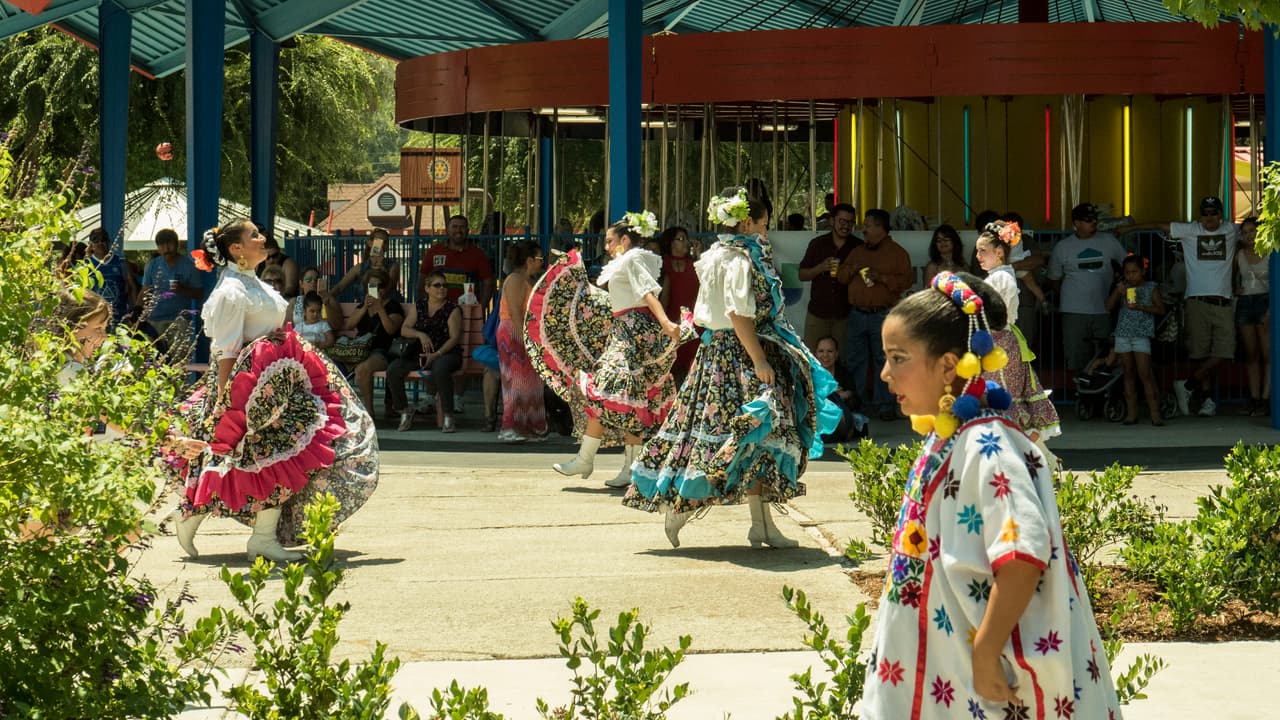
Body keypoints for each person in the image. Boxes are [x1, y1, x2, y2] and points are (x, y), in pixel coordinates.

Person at [862, 270, 1120, 720]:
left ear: (947, 366)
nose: (885, 373)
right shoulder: (954, 437)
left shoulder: (989, 445)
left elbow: (1022, 552)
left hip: (974, 680)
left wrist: (985, 655)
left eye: (898, 358)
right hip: (945, 670)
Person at [623, 187, 838, 549]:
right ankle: (682, 506)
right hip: (735, 356)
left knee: (758, 438)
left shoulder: (718, 254)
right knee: (735, 435)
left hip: (722, 352)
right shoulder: (737, 258)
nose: (764, 232)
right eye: (762, 224)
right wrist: (759, 359)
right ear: (745, 221)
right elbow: (739, 314)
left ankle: (762, 525)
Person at [171, 219, 379, 563]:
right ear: (236, 249)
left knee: (282, 456)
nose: (262, 238)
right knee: (246, 455)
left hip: (276, 388)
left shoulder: (254, 285)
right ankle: (197, 514)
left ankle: (250, 533)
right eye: (253, 235)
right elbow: (226, 351)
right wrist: (227, 406)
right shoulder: (231, 292)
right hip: (247, 392)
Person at [529, 210, 687, 489]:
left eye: (609, 240)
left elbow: (648, 293)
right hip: (626, 332)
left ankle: (600, 461)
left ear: (624, 240)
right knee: (623, 397)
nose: (605, 245)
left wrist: (666, 323)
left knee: (609, 391)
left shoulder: (632, 260)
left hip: (633, 335)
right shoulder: (627, 262)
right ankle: (610, 463)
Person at [1121, 196, 1239, 417]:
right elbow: (1158, 224)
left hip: (1223, 300)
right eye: (1206, 213)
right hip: (1196, 300)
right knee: (1201, 353)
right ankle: (1206, 401)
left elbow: (1258, 233)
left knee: (1225, 350)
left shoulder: (1233, 230)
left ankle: (1187, 385)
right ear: (1200, 215)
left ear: (1221, 214)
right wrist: (1128, 229)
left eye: (1214, 213)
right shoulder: (1190, 230)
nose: (1210, 217)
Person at [973, 221, 1060, 442]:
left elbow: (993, 314)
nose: (978, 256)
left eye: (983, 251)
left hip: (998, 341)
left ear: (999, 252)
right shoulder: (999, 275)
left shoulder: (1000, 278)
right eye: (977, 251)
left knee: (1000, 397)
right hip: (998, 340)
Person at [837, 208, 913, 422]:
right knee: (855, 360)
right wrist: (850, 270)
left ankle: (884, 405)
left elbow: (906, 281)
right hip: (857, 314)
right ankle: (859, 403)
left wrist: (881, 277)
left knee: (884, 360)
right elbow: (841, 277)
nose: (864, 230)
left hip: (883, 314)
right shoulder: (858, 251)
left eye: (868, 225)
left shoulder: (898, 253)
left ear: (880, 228)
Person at [1046, 202, 1127, 377]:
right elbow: (1053, 279)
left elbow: (1128, 264)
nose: (1093, 222)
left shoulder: (1109, 241)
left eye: (1094, 219)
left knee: (1106, 356)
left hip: (1103, 309)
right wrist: (1069, 296)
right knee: (1075, 355)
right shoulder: (1063, 247)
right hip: (1073, 311)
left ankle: (1101, 393)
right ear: (1076, 223)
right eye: (1088, 220)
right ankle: (1078, 394)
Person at [388, 270, 464, 433]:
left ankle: (448, 415)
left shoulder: (452, 309)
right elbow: (404, 329)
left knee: (440, 369)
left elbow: (454, 338)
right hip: (420, 353)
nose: (442, 289)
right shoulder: (420, 306)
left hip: (446, 353)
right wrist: (420, 335)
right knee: (394, 369)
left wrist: (436, 354)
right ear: (427, 288)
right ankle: (404, 410)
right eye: (437, 285)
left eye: (444, 286)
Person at [492, 241, 548, 442]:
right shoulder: (515, 279)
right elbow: (515, 312)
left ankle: (527, 427)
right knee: (515, 380)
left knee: (529, 382)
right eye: (539, 258)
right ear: (529, 260)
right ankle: (510, 426)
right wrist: (525, 338)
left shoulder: (527, 280)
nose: (542, 262)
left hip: (523, 332)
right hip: (513, 331)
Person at [1106, 254, 1165, 425]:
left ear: (1142, 272)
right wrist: (1118, 292)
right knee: (1128, 374)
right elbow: (1108, 306)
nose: (1131, 276)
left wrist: (1139, 306)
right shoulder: (1123, 287)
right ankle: (1132, 413)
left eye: (1135, 272)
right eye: (1127, 272)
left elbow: (1161, 309)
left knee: (1145, 374)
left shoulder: (1151, 287)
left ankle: (1155, 413)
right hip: (1123, 333)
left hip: (1141, 335)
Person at [344, 267, 406, 419]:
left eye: (380, 286)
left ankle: (369, 412)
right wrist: (365, 307)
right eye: (372, 286)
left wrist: (380, 309)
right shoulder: (362, 306)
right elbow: (349, 326)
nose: (377, 289)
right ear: (366, 288)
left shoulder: (393, 306)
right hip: (360, 350)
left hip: (383, 351)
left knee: (362, 369)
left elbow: (391, 329)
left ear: (386, 287)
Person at [798, 203, 859, 355]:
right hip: (817, 313)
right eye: (842, 221)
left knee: (843, 360)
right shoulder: (817, 244)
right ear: (832, 221)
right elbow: (802, 275)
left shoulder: (858, 247)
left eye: (850, 222)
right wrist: (820, 268)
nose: (846, 226)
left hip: (845, 315)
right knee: (812, 359)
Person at [1234, 217, 1270, 416]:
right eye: (1245, 232)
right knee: (1251, 354)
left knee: (1268, 355)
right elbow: (1231, 278)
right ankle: (1254, 397)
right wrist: (1235, 288)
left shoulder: (1271, 251)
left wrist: (1271, 308)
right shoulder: (1239, 254)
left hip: (1266, 301)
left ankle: (1266, 398)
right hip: (1246, 302)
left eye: (1252, 231)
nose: (1249, 235)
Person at [418, 215, 494, 307]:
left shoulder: (478, 254)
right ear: (447, 230)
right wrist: (424, 307)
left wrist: (480, 309)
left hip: (466, 312)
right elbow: (422, 279)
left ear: (467, 231)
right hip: (437, 311)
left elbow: (488, 283)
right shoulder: (434, 251)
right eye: (454, 227)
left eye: (462, 227)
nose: (458, 230)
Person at [658, 226, 701, 384]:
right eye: (680, 239)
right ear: (670, 243)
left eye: (686, 239)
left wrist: (699, 256)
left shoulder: (694, 263)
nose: (685, 243)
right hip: (671, 322)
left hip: (695, 323)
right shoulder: (662, 264)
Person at [140, 228, 200, 336]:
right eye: (162, 245)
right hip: (154, 321)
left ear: (177, 245)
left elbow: (200, 293)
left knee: (180, 353)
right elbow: (144, 291)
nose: (166, 248)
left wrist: (182, 289)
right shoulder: (152, 265)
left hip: (180, 321)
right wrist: (136, 311)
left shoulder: (189, 266)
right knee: (154, 353)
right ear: (158, 248)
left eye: (170, 244)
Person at [813, 336, 868, 444]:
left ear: (836, 354)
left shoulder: (844, 374)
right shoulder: (810, 373)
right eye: (821, 351)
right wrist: (832, 394)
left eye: (830, 351)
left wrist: (847, 395)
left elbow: (857, 404)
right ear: (815, 354)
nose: (825, 355)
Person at [329, 228, 402, 302]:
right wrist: (326, 297)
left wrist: (380, 267)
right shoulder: (359, 268)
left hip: (387, 308)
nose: (382, 244)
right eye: (378, 240)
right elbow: (340, 287)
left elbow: (386, 290)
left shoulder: (393, 267)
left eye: (385, 242)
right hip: (366, 309)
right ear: (370, 243)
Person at [85, 228, 138, 328]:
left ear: (109, 242)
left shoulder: (121, 263)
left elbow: (132, 288)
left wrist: (134, 314)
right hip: (94, 323)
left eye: (103, 239)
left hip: (119, 322)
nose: (100, 242)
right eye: (96, 239)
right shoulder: (85, 266)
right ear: (90, 244)